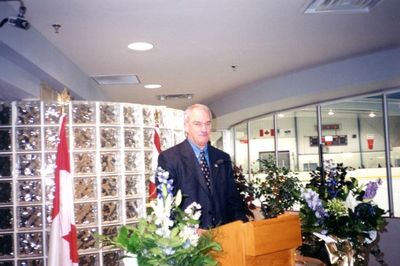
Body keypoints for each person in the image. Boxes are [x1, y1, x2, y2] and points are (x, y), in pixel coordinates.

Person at [157, 103, 248, 228]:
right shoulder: (170, 158)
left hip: (224, 237)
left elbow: (233, 201)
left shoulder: (222, 158)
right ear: (186, 126)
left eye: (208, 123)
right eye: (197, 124)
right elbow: (166, 206)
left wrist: (242, 227)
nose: (204, 129)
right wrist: (189, 231)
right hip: (190, 241)